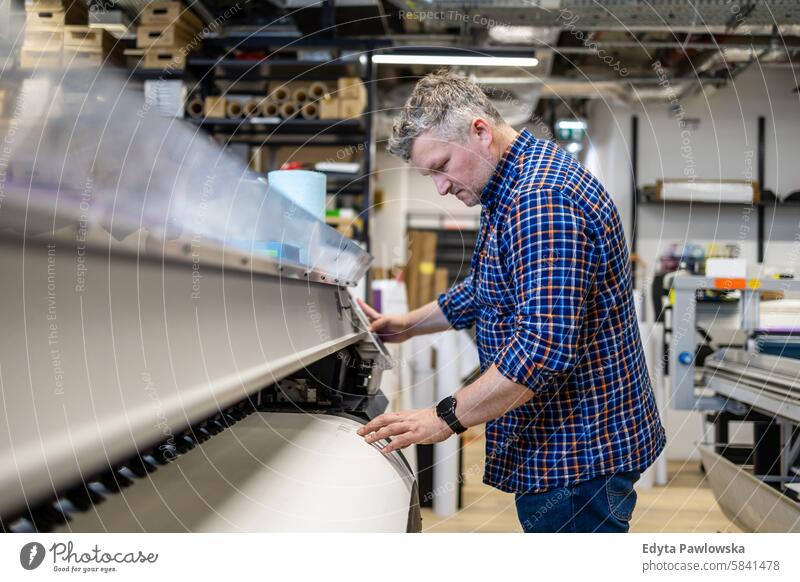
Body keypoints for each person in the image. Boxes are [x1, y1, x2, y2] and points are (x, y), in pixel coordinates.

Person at [356, 70, 665, 533]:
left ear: (479, 131)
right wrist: (405, 324)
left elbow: (541, 350)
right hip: (567, 446)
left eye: (441, 166)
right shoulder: (511, 186)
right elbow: (486, 287)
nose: (439, 186)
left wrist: (441, 419)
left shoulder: (540, 199)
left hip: (578, 455)